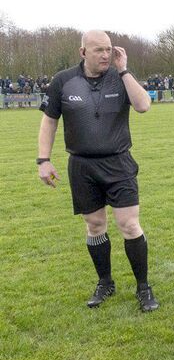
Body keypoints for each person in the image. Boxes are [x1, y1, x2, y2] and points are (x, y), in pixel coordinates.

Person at [37, 30, 159, 312]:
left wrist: (125, 69)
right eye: (98, 50)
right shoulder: (63, 81)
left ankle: (143, 287)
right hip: (82, 165)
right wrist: (43, 160)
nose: (105, 55)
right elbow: (49, 121)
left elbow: (143, 106)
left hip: (119, 163)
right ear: (83, 52)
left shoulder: (120, 76)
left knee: (129, 225)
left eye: (108, 49)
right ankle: (105, 282)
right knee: (94, 226)